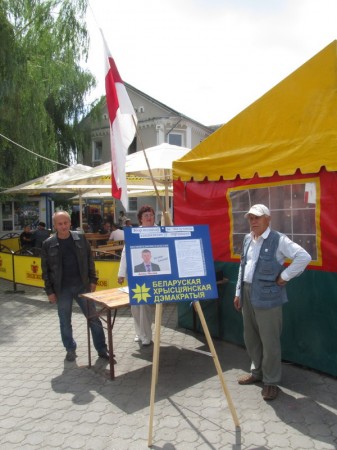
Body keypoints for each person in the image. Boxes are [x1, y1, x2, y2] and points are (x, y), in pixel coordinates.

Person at [234, 204, 311, 401]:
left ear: (268, 219)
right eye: (250, 218)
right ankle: (257, 372)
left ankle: (270, 381)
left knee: (270, 342)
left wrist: (284, 276)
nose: (253, 221)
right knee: (251, 338)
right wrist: (238, 292)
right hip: (248, 293)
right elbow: (243, 267)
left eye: (257, 218)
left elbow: (304, 257)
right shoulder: (247, 239)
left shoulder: (279, 239)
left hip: (269, 296)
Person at [41, 211, 109, 362]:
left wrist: (93, 280)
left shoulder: (80, 237)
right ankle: (70, 349)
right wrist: (49, 292)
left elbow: (90, 260)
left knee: (94, 319)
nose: (63, 226)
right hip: (61, 289)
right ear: (55, 225)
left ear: (70, 223)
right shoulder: (48, 244)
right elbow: (45, 271)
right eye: (60, 224)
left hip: (82, 286)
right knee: (65, 322)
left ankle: (102, 349)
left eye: (65, 223)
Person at [117, 205, 155, 346]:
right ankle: (139, 333)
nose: (149, 218)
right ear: (140, 219)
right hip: (136, 275)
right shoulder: (134, 233)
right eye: (146, 215)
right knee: (135, 305)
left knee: (144, 304)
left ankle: (147, 336)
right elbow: (125, 253)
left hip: (153, 274)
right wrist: (121, 273)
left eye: (151, 215)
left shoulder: (159, 231)